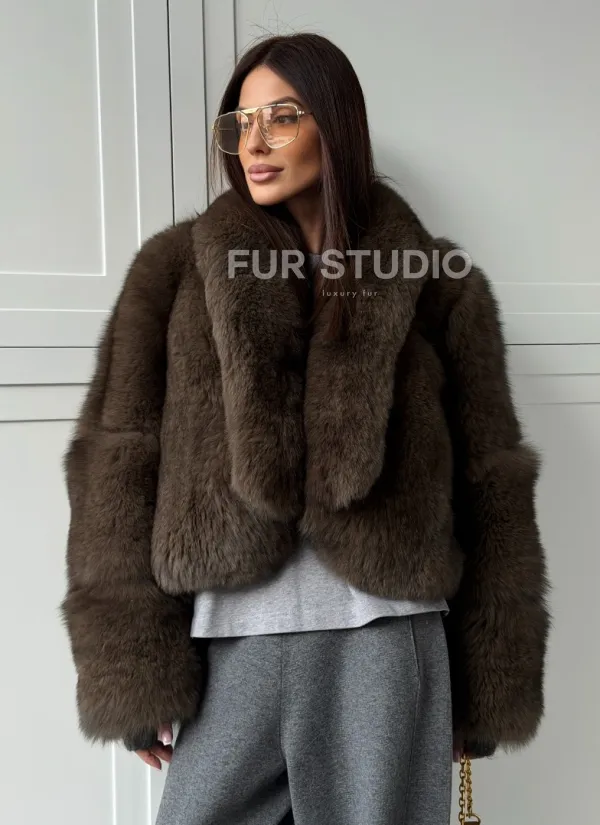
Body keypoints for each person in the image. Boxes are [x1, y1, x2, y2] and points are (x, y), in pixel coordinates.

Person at [60, 32, 551, 825]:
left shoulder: (436, 285)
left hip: (385, 646)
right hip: (229, 649)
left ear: (337, 125)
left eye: (282, 117)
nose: (254, 143)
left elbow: (490, 486)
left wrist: (491, 684)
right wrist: (131, 670)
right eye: (240, 122)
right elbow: (116, 469)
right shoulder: (174, 272)